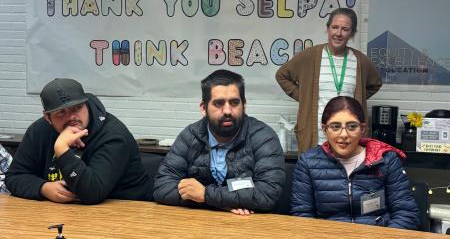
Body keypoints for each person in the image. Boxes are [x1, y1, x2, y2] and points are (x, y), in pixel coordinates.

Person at [153, 69, 285, 215]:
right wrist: (219, 203)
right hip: (197, 224)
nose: (227, 111)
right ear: (203, 108)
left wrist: (205, 195)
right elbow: (162, 186)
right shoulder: (190, 136)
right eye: (218, 103)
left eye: (234, 102)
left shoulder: (263, 136)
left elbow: (267, 193)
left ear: (244, 105)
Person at [6, 78, 152, 204]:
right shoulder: (39, 130)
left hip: (126, 211)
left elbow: (92, 193)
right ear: (47, 117)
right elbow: (14, 177)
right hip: (63, 214)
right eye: (61, 112)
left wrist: (62, 150)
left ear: (86, 104)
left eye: (77, 108)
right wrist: (43, 188)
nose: (71, 117)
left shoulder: (113, 135)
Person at [290, 96, 420, 229]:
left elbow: (406, 213)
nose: (344, 134)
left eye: (352, 126)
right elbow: (302, 216)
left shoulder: (386, 160)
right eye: (335, 127)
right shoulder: (308, 163)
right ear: (325, 130)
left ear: (362, 129)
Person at [275, 8, 382, 153]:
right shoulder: (310, 56)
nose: (338, 33)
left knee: (348, 175)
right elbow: (282, 75)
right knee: (314, 173)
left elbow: (375, 83)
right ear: (327, 29)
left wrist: (358, 99)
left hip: (348, 139)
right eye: (335, 27)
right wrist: (305, 97)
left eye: (345, 29)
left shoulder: (360, 61)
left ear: (352, 33)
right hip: (316, 138)